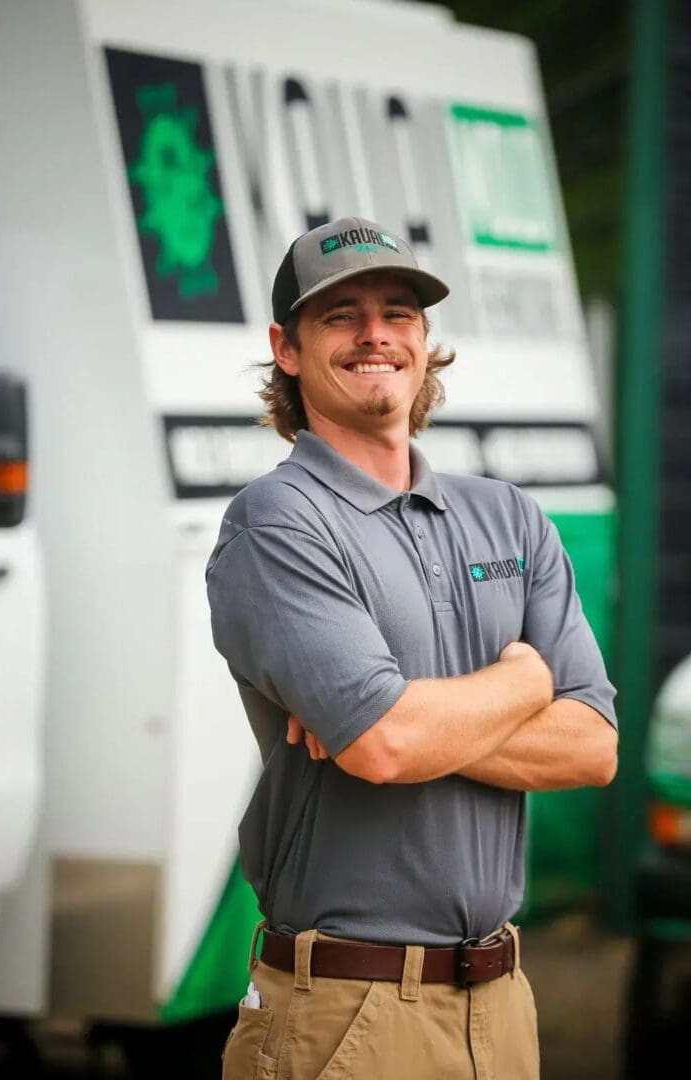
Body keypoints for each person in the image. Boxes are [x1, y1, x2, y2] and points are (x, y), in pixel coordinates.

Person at [205, 216, 618, 1079]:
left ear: (424, 342)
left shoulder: (509, 517)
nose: (375, 336)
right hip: (345, 1014)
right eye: (340, 315)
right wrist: (528, 677)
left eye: (399, 312)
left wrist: (410, 717)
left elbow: (593, 747)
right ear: (286, 348)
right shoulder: (278, 521)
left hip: (503, 1008)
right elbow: (386, 743)